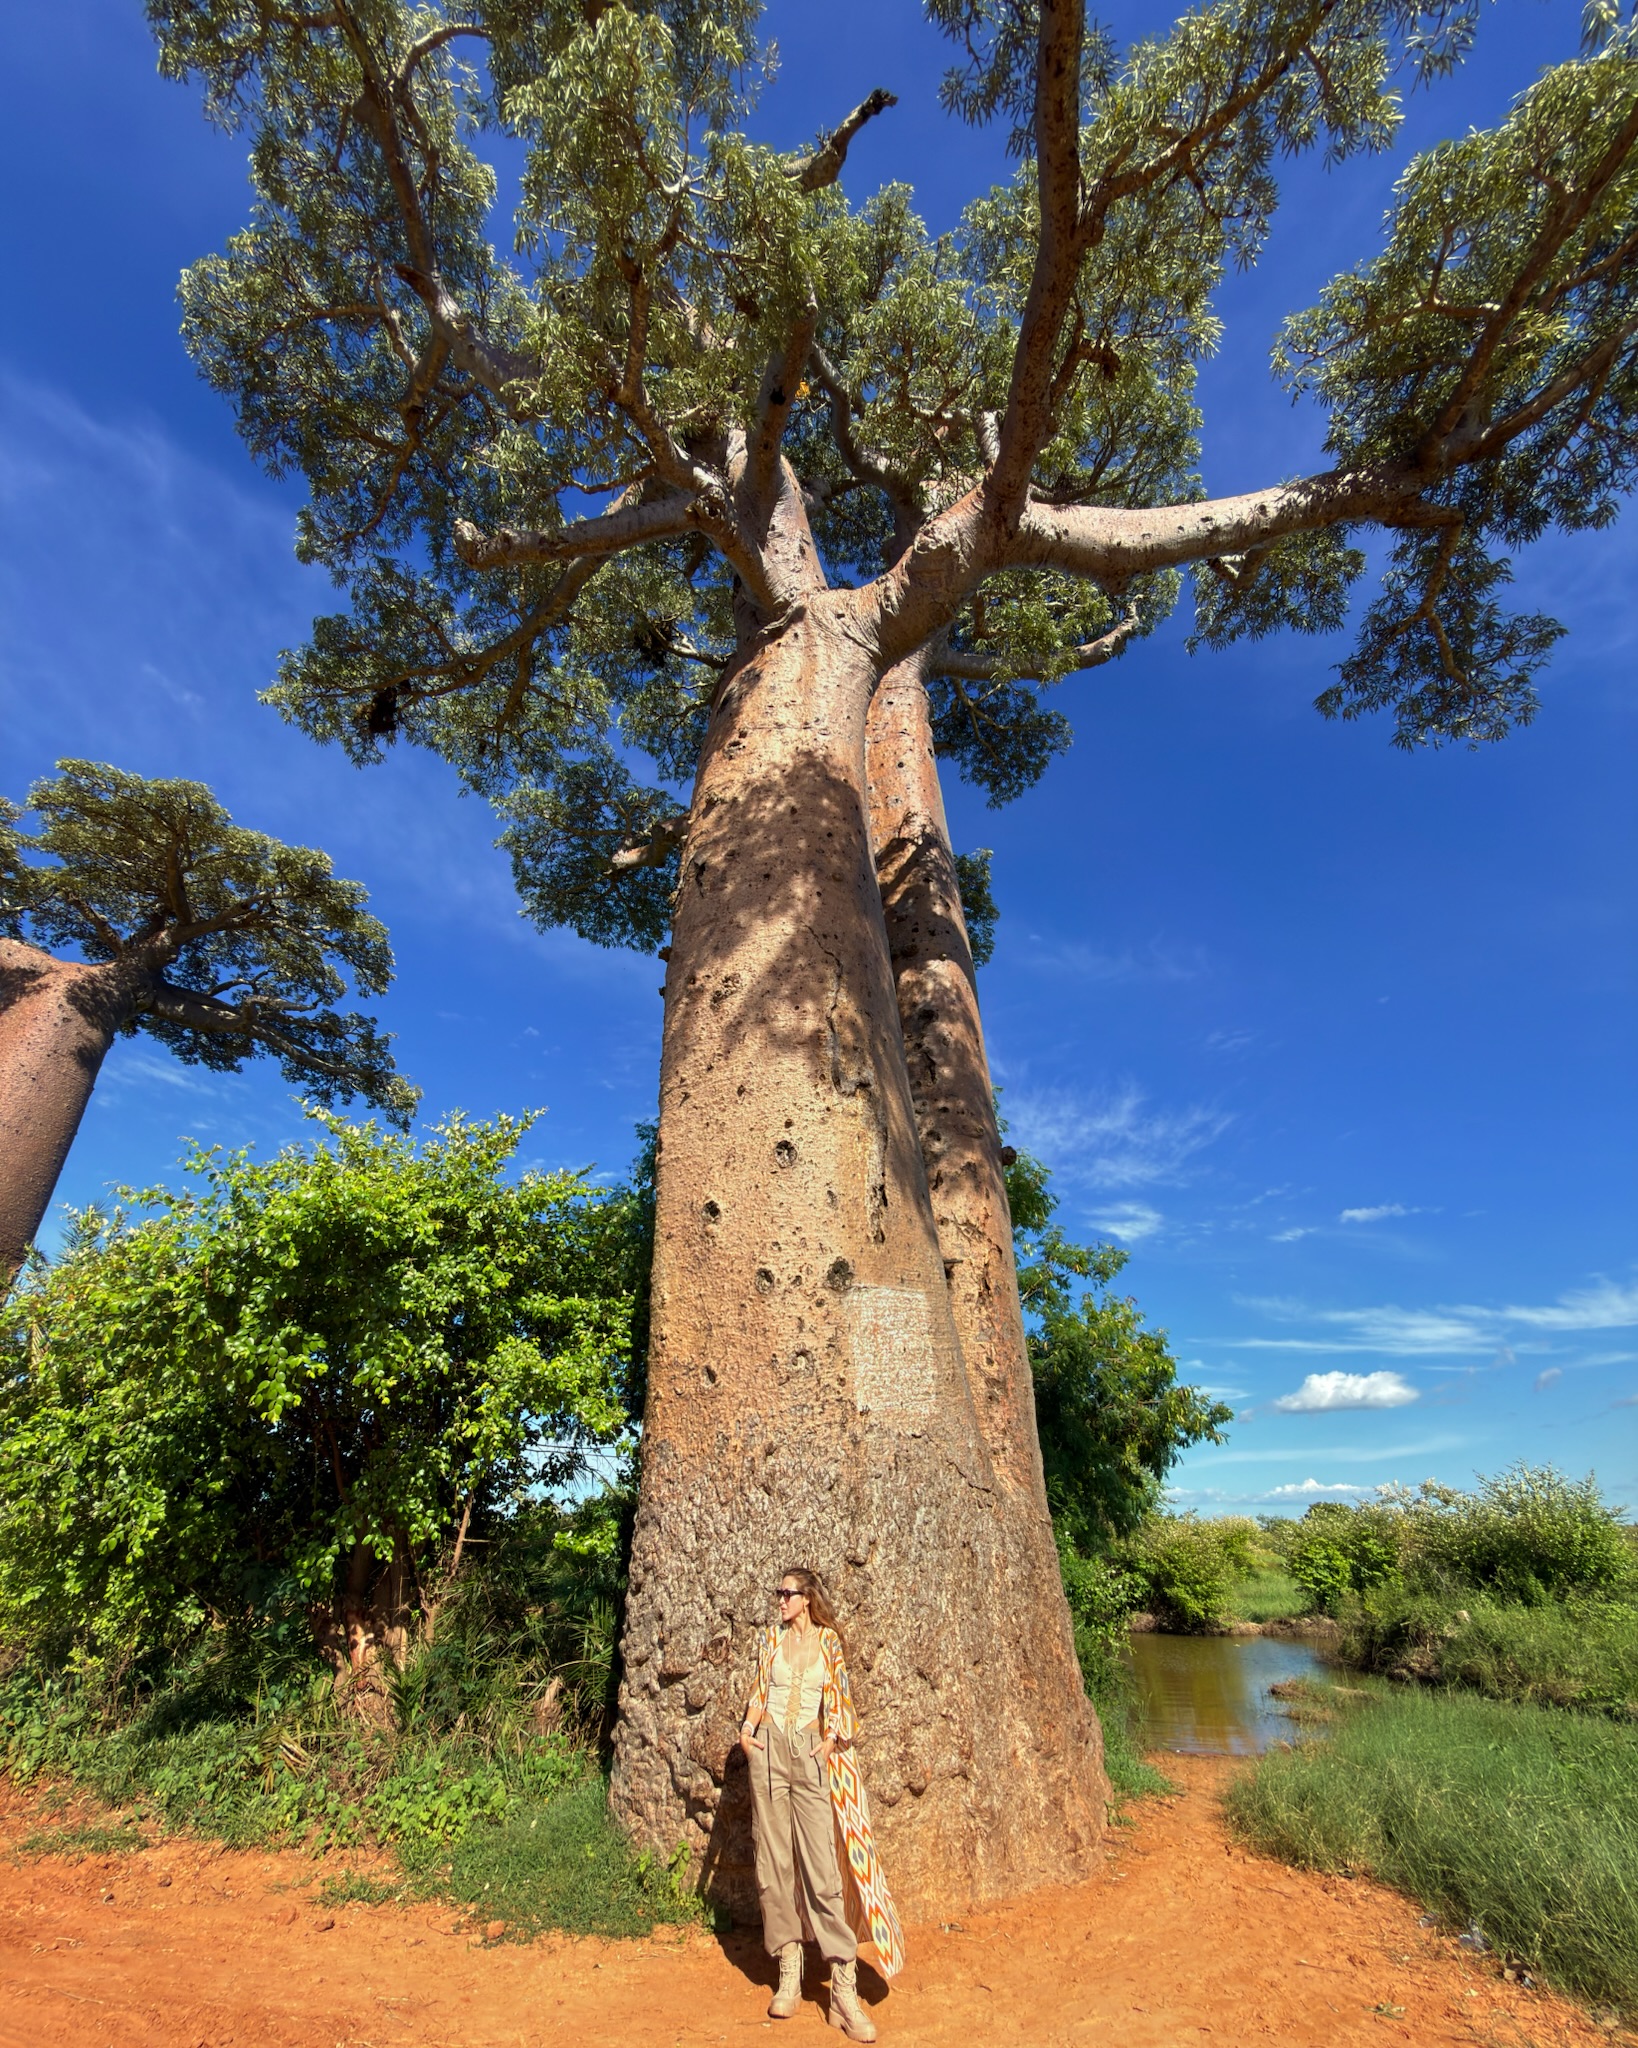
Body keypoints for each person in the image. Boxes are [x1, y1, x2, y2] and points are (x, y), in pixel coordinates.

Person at [740, 1567, 902, 2039]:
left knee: (822, 1870)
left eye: (787, 1593)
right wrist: (747, 1733)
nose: (780, 1600)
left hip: (810, 1755)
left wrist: (829, 1740)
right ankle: (789, 1968)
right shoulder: (771, 1639)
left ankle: (843, 1988)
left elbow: (840, 1699)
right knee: (773, 1865)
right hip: (769, 1752)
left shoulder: (828, 1642)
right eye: (778, 1593)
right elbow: (760, 1692)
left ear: (807, 1598)